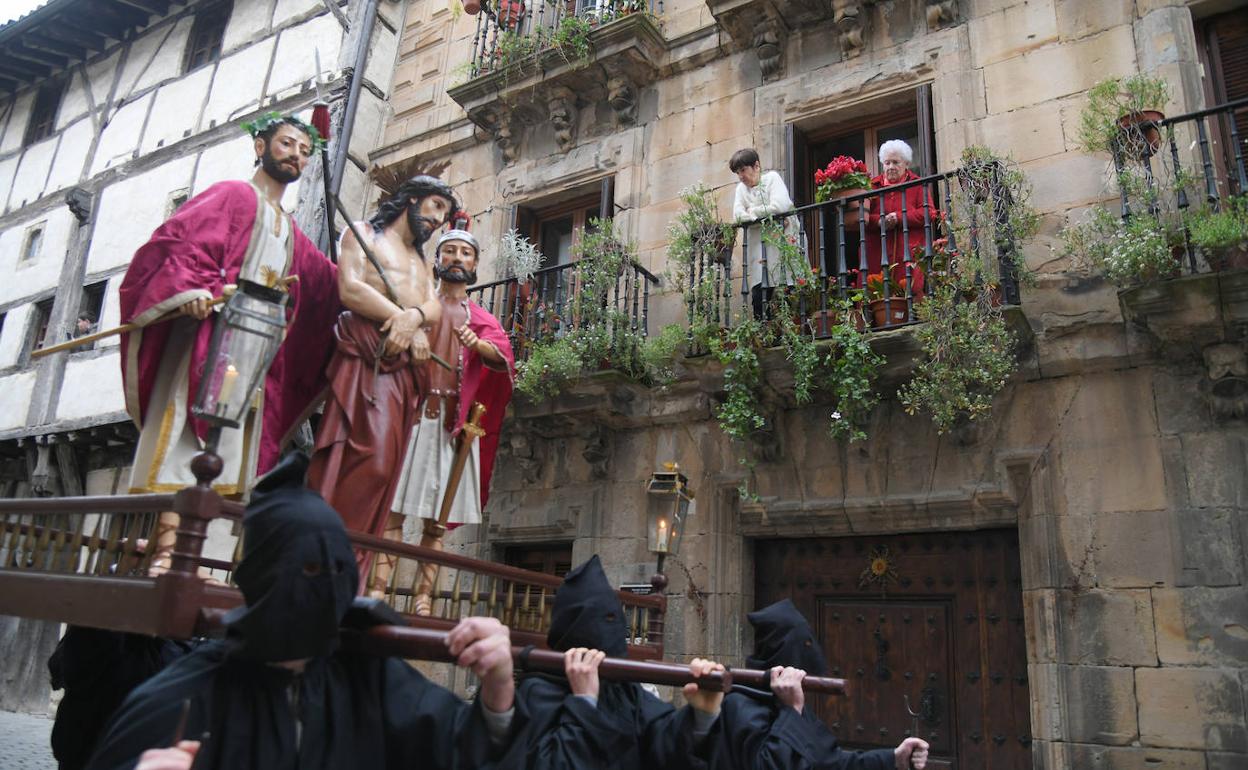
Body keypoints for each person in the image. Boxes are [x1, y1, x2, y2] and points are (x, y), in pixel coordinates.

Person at [85, 452, 520, 770]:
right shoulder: (186, 696)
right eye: (309, 569)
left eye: (339, 569)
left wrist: (498, 687)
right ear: (263, 576)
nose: (327, 586)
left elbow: (468, 750)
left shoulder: (372, 682)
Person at [118, 112, 340, 572]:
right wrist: (194, 288)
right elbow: (178, 242)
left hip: (256, 347)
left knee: (231, 450)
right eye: (287, 144)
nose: (296, 155)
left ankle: (198, 557)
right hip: (210, 335)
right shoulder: (233, 195)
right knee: (185, 437)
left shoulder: (290, 228)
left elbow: (325, 283)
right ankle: (168, 551)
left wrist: (379, 291)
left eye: (304, 150)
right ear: (260, 147)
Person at [306, 175, 456, 592]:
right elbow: (351, 288)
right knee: (365, 458)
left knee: (385, 467)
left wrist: (414, 319)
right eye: (435, 206)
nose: (438, 219)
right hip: (367, 357)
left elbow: (433, 306)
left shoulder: (421, 261)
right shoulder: (363, 234)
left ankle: (352, 567)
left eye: (444, 213)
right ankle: (326, 555)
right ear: (411, 200)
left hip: (404, 370)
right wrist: (401, 318)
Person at [389, 227, 515, 614]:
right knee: (392, 511)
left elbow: (504, 357)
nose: (458, 258)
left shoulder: (481, 318)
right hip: (412, 419)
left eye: (465, 253)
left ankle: (423, 599)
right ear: (438, 259)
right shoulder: (417, 305)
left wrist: (479, 345)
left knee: (437, 522)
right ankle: (376, 588)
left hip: (453, 427)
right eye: (450, 251)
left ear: (475, 264)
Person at [502, 554, 725, 769]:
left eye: (612, 619)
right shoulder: (536, 693)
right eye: (600, 621)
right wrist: (584, 703)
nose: (608, 631)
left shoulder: (625, 691)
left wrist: (702, 717)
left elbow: (664, 743)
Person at [715, 599, 929, 770]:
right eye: (803, 646)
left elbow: (830, 763)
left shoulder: (788, 706)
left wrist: (893, 758)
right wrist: (792, 710)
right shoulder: (740, 706)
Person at [730, 148, 799, 320]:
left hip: (782, 248)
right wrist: (768, 217)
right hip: (758, 253)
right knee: (759, 301)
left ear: (756, 166)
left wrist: (752, 212)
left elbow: (780, 206)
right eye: (737, 173)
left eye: (743, 170)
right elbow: (738, 216)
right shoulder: (740, 190)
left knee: (788, 294)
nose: (741, 176)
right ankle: (765, 334)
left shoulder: (772, 179)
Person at [862, 140, 931, 297]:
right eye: (887, 163)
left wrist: (899, 217)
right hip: (877, 252)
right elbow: (861, 217)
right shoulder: (872, 187)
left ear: (906, 164)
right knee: (875, 296)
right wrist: (879, 221)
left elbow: (929, 213)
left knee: (910, 294)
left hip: (907, 252)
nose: (891, 167)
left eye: (895, 162)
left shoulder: (917, 185)